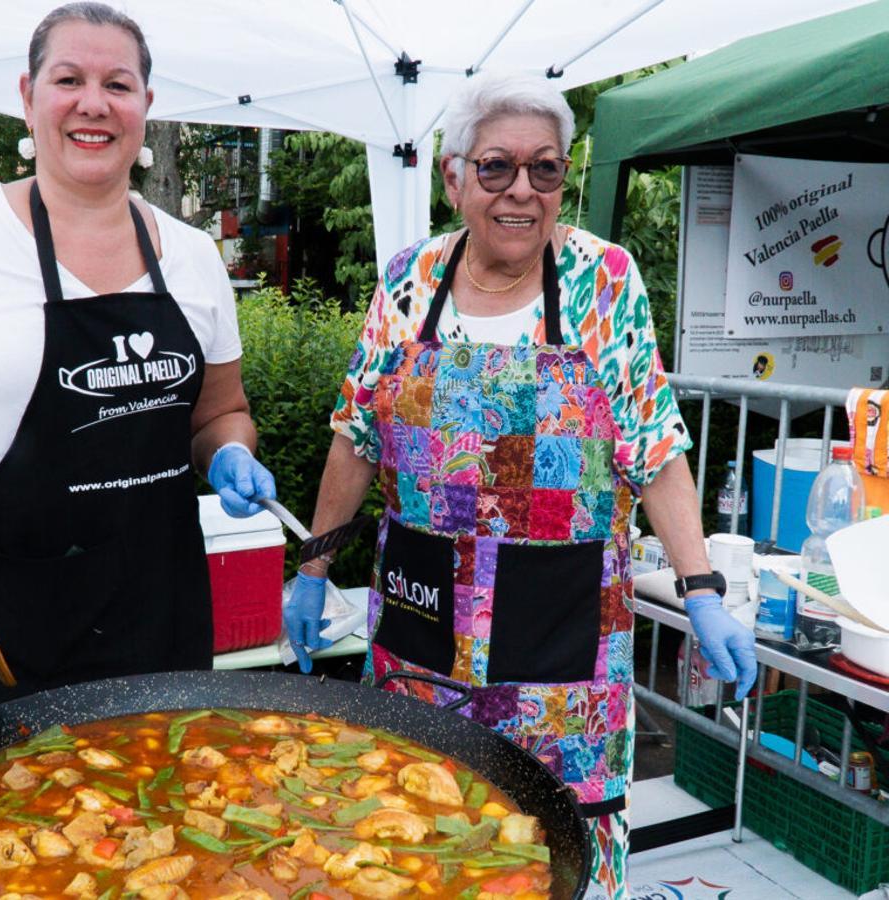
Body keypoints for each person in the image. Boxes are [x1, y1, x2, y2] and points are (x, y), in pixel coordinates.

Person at [284, 71, 756, 899]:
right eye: (497, 166)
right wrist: (314, 566)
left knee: (553, 854)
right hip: (421, 630)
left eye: (546, 169)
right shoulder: (408, 281)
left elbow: (654, 446)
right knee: (412, 840)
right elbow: (356, 436)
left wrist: (703, 587)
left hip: (562, 650)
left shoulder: (601, 281)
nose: (523, 191)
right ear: (453, 174)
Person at [0, 2, 274, 753]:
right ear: (28, 95)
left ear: (146, 105)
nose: (93, 103)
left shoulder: (193, 254)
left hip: (155, 621)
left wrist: (231, 451)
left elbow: (219, 413)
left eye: (119, 83)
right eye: (68, 79)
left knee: (158, 847)